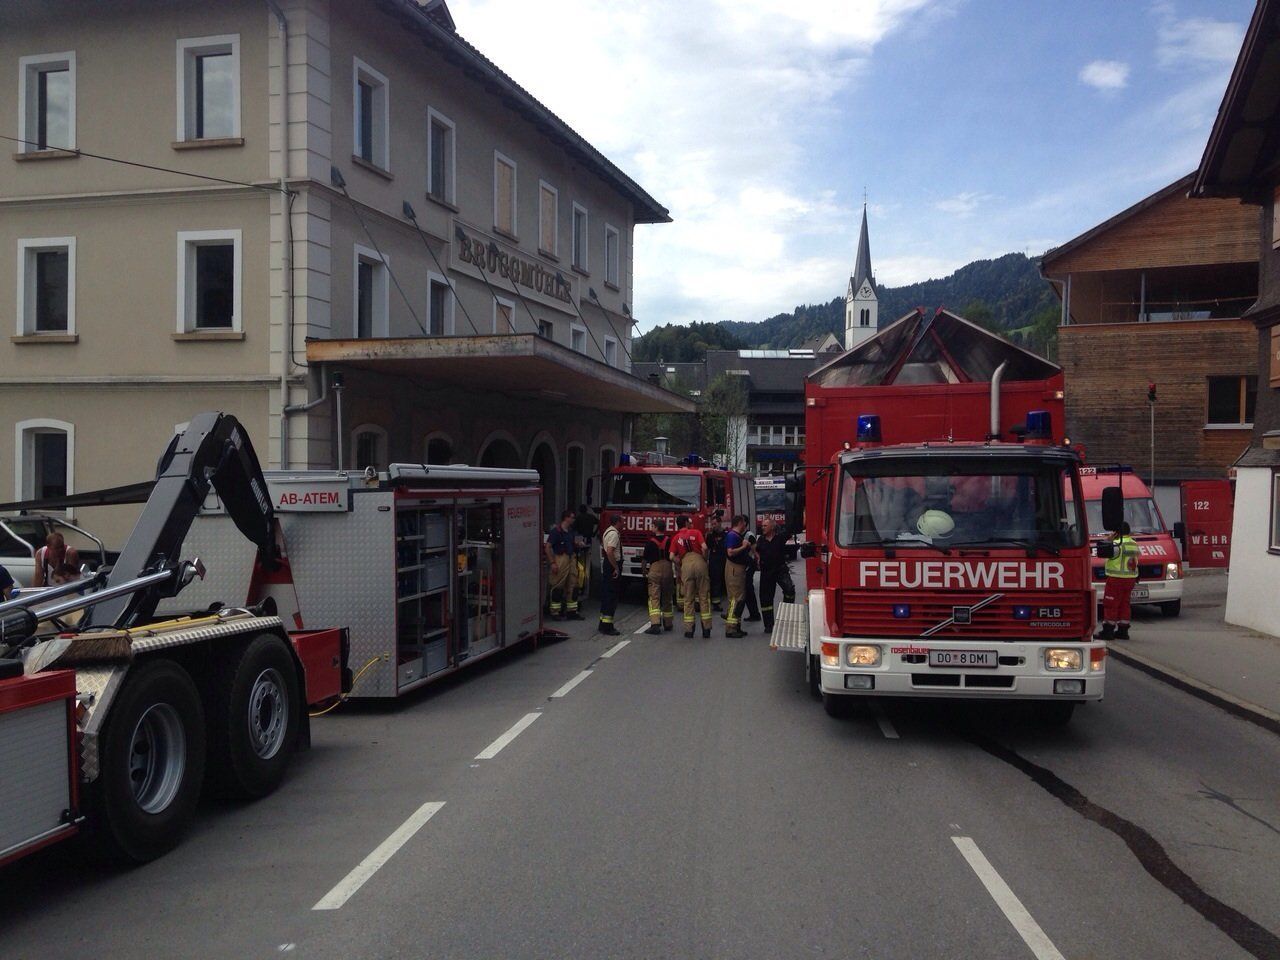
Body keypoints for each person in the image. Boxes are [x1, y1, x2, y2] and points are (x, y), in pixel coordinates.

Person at [1096, 521, 1140, 641]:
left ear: (1116, 532)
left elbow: (1102, 551)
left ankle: (1108, 631)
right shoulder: (1134, 543)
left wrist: (1109, 539)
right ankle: (1123, 631)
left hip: (1116, 579)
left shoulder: (1116, 544)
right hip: (1130, 579)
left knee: (1111, 604)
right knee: (1124, 605)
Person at [670, 516, 712, 638]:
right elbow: (704, 547)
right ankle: (706, 629)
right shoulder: (696, 532)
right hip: (700, 563)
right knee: (703, 596)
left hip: (686, 565)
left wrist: (680, 562)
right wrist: (704, 558)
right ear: (686, 523)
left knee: (688, 598)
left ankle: (689, 630)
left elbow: (671, 556)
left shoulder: (676, 538)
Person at [756, 516, 796, 634]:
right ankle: (769, 625)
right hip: (766, 572)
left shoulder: (780, 538)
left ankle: (786, 616)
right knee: (765, 599)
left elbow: (790, 530)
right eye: (762, 526)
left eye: (765, 525)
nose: (762, 528)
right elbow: (756, 552)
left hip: (780, 570)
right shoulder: (761, 541)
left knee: (789, 590)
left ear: (772, 527)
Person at [544, 511, 582, 620]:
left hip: (571, 558)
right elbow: (548, 547)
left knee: (573, 585)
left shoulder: (571, 531)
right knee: (558, 585)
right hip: (561, 558)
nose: (574, 519)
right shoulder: (556, 532)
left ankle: (572, 611)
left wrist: (579, 543)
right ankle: (555, 612)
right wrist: (552, 563)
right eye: (572, 517)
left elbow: (577, 540)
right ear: (566, 518)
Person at [722, 515, 753, 638]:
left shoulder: (737, 536)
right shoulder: (732, 536)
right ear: (740, 523)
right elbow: (730, 551)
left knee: (739, 599)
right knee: (735, 599)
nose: (745, 525)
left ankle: (736, 625)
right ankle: (731, 628)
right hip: (734, 570)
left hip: (738, 570)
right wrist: (744, 547)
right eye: (744, 523)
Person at [642, 521, 675, 634]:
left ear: (656, 528)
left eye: (652, 526)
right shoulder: (669, 540)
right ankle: (668, 623)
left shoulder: (650, 542)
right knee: (667, 596)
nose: (651, 528)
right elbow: (674, 555)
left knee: (654, 597)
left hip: (655, 569)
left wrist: (644, 570)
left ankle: (655, 624)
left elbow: (645, 559)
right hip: (668, 569)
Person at [598, 515, 623, 636]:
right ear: (617, 522)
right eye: (622, 521)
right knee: (611, 596)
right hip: (612, 564)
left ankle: (602, 623)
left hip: (608, 564)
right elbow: (609, 551)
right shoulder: (614, 534)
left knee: (606, 593)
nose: (623, 523)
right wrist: (616, 567)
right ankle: (608, 626)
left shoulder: (607, 531)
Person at [707, 514, 727, 611]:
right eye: (712, 524)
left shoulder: (726, 534)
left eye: (715, 524)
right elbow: (707, 549)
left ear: (720, 523)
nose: (713, 526)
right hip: (714, 561)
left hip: (725, 559)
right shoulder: (710, 536)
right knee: (715, 582)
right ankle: (716, 603)